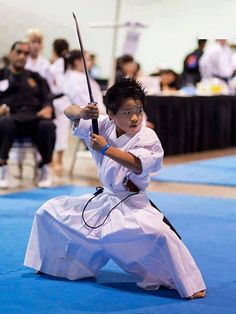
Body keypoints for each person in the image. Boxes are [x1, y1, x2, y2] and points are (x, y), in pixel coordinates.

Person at [24, 78, 206, 299]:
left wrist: (106, 148)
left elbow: (137, 163)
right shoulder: (102, 124)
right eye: (127, 112)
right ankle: (53, 265)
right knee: (49, 212)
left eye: (138, 110)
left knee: (161, 235)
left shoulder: (147, 136)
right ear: (111, 113)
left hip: (133, 204)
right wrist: (82, 112)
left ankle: (189, 283)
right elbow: (68, 112)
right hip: (105, 201)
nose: (135, 118)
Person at [0, 41, 56, 189]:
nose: (22, 56)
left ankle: (44, 167)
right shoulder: (1, 75)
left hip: (34, 119)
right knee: (4, 123)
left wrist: (48, 108)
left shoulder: (36, 77)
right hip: (11, 119)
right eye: (19, 52)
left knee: (48, 125)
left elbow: (47, 97)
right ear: (11, 53)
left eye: (26, 54)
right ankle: (2, 167)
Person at [48, 39, 71, 175]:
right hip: (63, 100)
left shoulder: (55, 66)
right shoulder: (67, 65)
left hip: (57, 100)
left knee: (56, 131)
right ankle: (58, 161)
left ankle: (52, 161)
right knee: (61, 132)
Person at [63, 49, 106, 114]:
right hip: (88, 116)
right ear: (77, 62)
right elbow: (82, 102)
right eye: (88, 60)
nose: (91, 62)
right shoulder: (75, 80)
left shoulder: (83, 77)